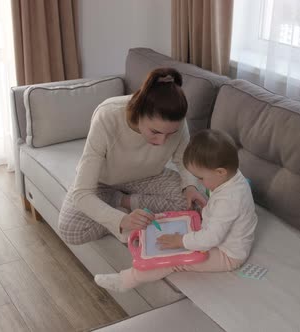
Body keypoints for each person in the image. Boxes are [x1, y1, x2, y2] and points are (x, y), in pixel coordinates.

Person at [58, 68, 207, 245]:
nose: (162, 142)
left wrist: (190, 186)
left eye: (170, 134)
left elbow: (184, 160)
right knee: (70, 230)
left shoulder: (177, 122)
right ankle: (117, 202)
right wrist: (119, 219)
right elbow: (82, 193)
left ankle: (124, 200)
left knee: (195, 205)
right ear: (139, 113)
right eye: (155, 132)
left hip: (148, 176)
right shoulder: (107, 116)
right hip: (103, 181)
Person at [94, 129, 258, 292]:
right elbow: (221, 211)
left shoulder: (229, 200)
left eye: (201, 178)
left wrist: (180, 241)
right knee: (180, 222)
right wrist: (208, 209)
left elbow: (211, 237)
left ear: (220, 172)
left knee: (176, 260)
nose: (199, 182)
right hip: (215, 235)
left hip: (227, 254)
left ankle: (126, 280)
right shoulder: (231, 177)